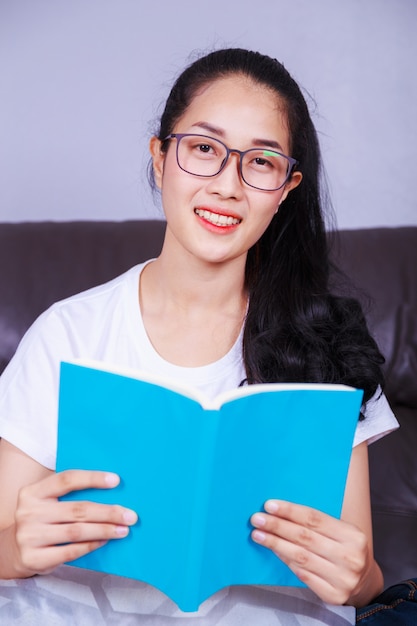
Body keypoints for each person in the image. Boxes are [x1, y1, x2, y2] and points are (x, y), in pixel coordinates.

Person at [0, 48, 399, 624]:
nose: (227, 186)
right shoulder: (69, 333)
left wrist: (360, 577)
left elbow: (360, 581)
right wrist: (16, 546)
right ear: (160, 159)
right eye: (204, 149)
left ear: (286, 187)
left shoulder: (326, 341)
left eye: (260, 162)